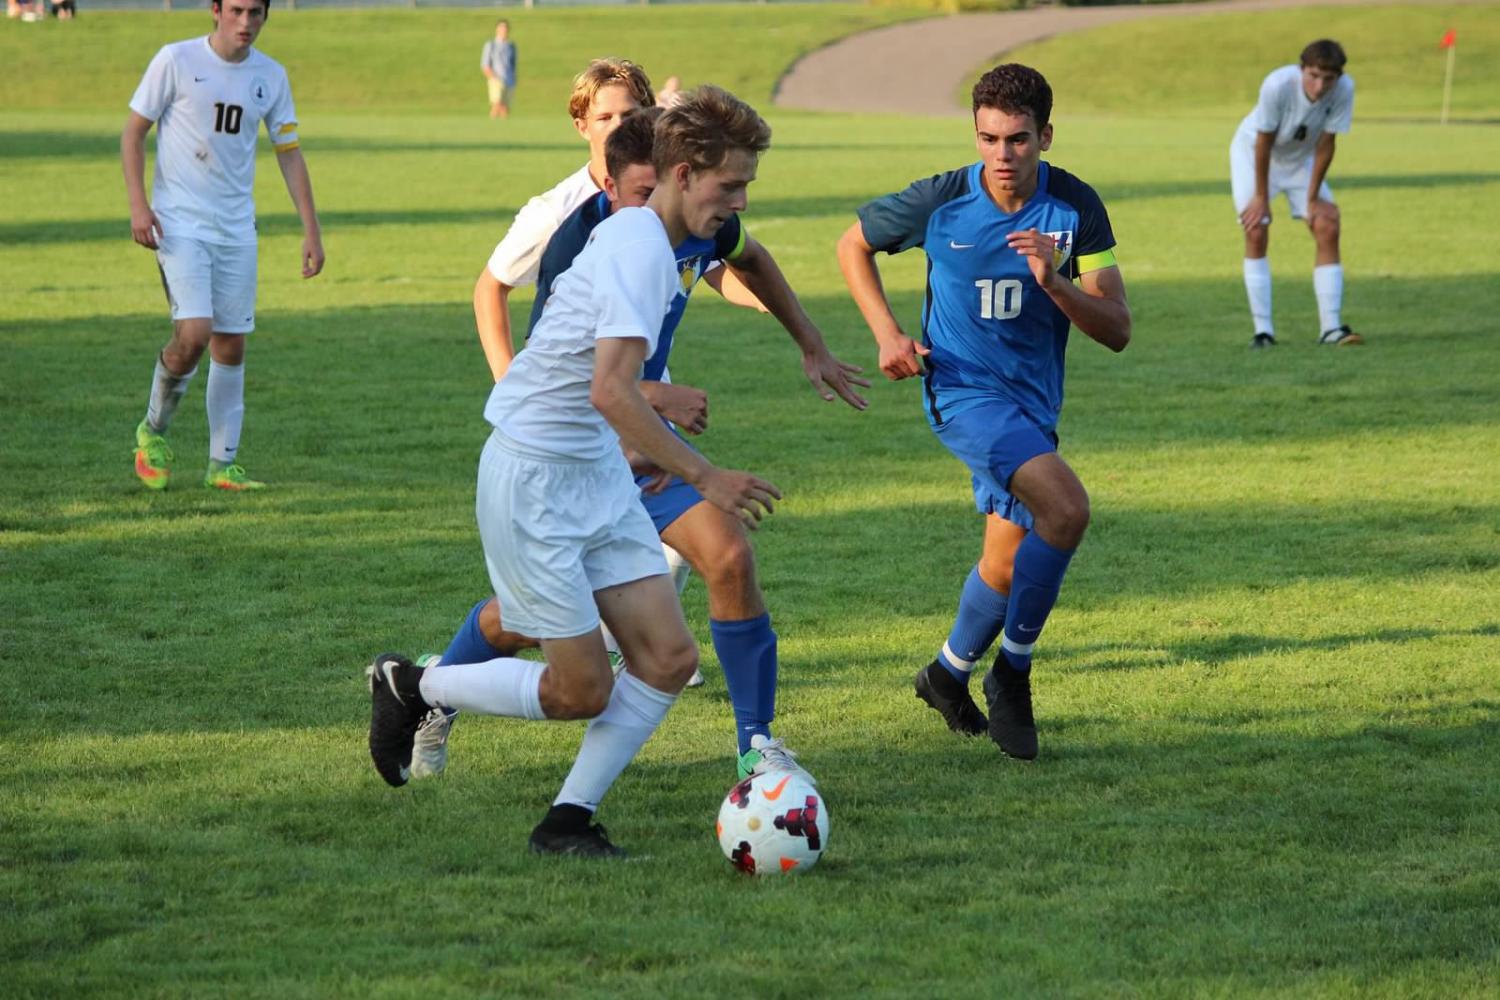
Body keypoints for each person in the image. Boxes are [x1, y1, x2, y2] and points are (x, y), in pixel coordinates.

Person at [367, 86, 788, 858]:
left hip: (588, 469)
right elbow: (611, 390)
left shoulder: (648, 239)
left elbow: (607, 393)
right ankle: (412, 684)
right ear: (686, 173)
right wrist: (705, 477)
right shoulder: (638, 249)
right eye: (731, 185)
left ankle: (567, 822)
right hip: (535, 478)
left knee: (667, 658)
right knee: (579, 689)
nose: (738, 201)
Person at [411, 105, 869, 783]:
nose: (646, 197)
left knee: (725, 564)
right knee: (539, 628)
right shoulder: (597, 240)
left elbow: (751, 257)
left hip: (638, 446)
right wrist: (664, 410)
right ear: (622, 185)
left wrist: (812, 345)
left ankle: (754, 744)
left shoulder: (695, 220)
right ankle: (430, 688)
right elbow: (571, 373)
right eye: (634, 188)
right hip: (584, 450)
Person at [837, 63, 1130, 761]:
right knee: (1066, 509)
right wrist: (886, 333)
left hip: (1033, 405)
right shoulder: (941, 200)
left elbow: (1116, 328)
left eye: (1019, 140)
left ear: (1046, 137)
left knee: (1004, 563)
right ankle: (1014, 672)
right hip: (962, 391)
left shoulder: (1076, 208)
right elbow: (853, 244)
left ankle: (945, 674)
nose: (1002, 156)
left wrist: (1056, 284)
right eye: (989, 138)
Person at [123, 0, 324, 492]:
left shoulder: (271, 76)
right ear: (214, 10)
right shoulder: (176, 60)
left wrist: (311, 230)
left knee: (230, 342)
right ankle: (152, 432)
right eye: (236, 10)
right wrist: (138, 205)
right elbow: (133, 134)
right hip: (179, 225)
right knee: (194, 333)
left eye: (255, 12)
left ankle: (221, 466)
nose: (245, 22)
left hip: (236, 229)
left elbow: (289, 154)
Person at [1233, 39, 1360, 348]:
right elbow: (1263, 142)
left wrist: (1313, 198)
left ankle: (1331, 328)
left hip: (1298, 161)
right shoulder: (1277, 84)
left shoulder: (1344, 89)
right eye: (1313, 76)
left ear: (1338, 77)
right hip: (1254, 155)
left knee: (1327, 224)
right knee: (1256, 230)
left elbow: (1327, 144)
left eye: (1328, 79)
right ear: (1302, 69)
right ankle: (1263, 332)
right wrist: (1261, 198)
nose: (1319, 86)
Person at [480, 19, 516, 120]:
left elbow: (513, 64)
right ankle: (490, 127)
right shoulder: (491, 45)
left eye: (505, 27)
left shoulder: (511, 46)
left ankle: (503, 131)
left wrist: (513, 78)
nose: (503, 30)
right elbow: (485, 64)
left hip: (509, 80)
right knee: (496, 105)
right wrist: (493, 78)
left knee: (505, 108)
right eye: (501, 27)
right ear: (497, 29)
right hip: (495, 79)